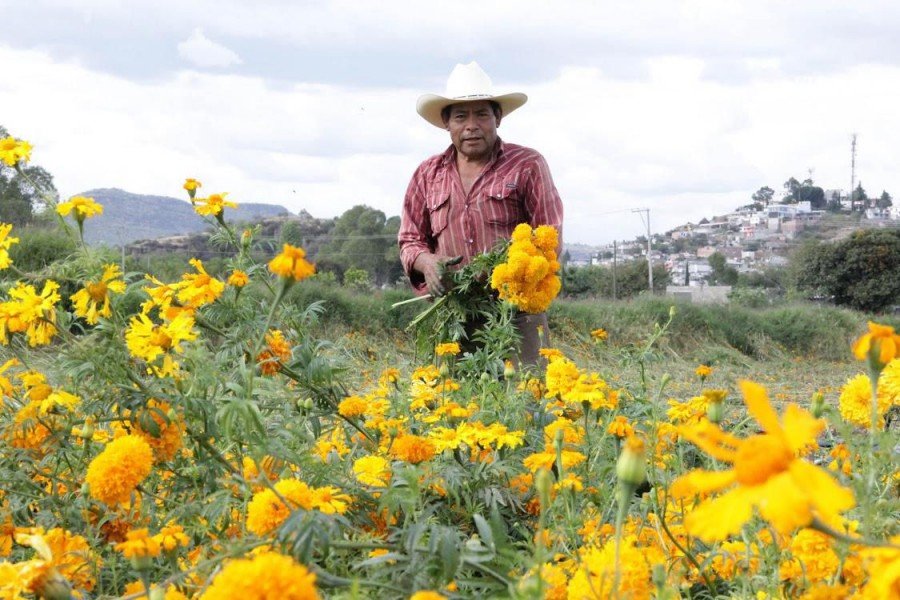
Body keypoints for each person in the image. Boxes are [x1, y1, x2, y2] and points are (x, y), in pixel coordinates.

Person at [398, 61, 563, 366]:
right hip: (452, 313)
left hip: (516, 315)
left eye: (481, 115)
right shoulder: (426, 174)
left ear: (497, 118)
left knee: (526, 403)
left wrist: (515, 277)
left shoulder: (528, 164)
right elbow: (409, 240)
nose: (471, 125)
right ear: (447, 124)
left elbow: (549, 238)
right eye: (461, 116)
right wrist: (428, 262)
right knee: (454, 406)